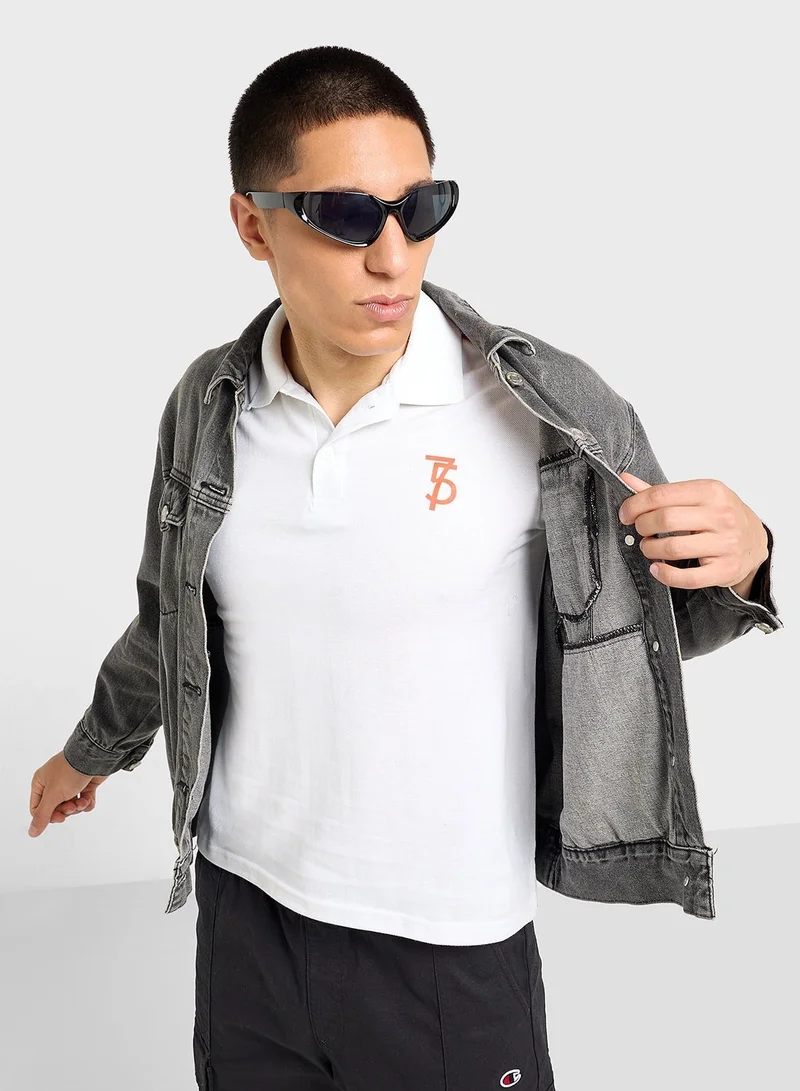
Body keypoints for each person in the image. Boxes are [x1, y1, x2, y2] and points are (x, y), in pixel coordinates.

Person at [28, 43, 780, 1091]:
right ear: (253, 225)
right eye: (346, 215)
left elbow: (641, 630)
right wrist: (93, 750)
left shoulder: (544, 410)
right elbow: (173, 617)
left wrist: (745, 559)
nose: (393, 257)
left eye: (420, 209)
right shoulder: (208, 404)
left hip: (447, 944)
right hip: (244, 915)